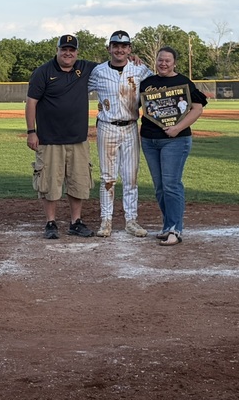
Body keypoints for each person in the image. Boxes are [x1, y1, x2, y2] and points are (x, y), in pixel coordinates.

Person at [26, 34, 98, 239]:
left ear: (77, 52)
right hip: (49, 139)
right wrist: (32, 132)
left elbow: (113, 64)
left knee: (79, 181)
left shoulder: (85, 68)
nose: (68, 53)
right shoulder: (43, 72)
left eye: (72, 50)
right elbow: (31, 102)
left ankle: (76, 222)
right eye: (64, 49)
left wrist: (133, 58)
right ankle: (50, 222)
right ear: (57, 50)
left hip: (78, 139)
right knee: (49, 182)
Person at [139, 46, 207, 246]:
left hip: (175, 140)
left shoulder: (183, 82)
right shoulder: (147, 83)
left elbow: (198, 108)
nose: (163, 64)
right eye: (160, 60)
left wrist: (178, 128)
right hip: (149, 139)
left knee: (171, 184)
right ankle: (168, 225)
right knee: (160, 187)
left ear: (174, 62)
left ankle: (175, 229)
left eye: (168, 60)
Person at [88, 30, 152, 238]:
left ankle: (130, 220)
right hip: (107, 126)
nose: (119, 50)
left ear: (130, 49)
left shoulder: (139, 69)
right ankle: (106, 220)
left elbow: (157, 86)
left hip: (131, 126)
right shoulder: (98, 71)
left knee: (130, 177)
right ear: (109, 48)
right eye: (115, 46)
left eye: (124, 46)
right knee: (107, 177)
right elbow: (81, 89)